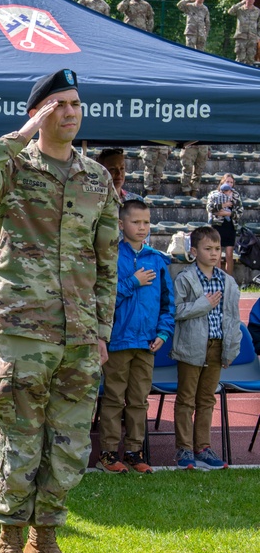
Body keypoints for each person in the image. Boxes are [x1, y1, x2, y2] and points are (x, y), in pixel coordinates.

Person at [0, 68, 118, 553]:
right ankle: (8, 541)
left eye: (74, 104)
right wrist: (22, 135)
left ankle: (44, 540)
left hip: (78, 330)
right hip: (22, 324)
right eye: (57, 105)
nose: (69, 113)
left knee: (69, 441)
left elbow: (106, 256)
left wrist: (101, 328)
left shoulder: (97, 177)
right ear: (37, 112)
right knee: (21, 435)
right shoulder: (12, 167)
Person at [97, 199, 174, 475]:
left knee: (140, 400)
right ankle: (107, 453)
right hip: (118, 341)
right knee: (114, 399)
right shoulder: (111, 256)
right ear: (121, 225)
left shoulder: (157, 259)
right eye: (136, 222)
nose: (142, 227)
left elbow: (168, 303)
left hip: (147, 343)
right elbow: (105, 298)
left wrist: (164, 333)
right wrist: (134, 281)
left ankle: (133, 452)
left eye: (146, 222)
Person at [171, 226, 239, 471]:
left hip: (216, 346)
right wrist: (201, 305)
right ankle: (184, 448)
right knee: (186, 399)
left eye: (217, 249)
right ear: (194, 250)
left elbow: (232, 318)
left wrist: (230, 349)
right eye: (207, 248)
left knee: (206, 400)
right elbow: (175, 312)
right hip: (191, 346)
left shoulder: (227, 281)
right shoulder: (186, 278)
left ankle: (203, 447)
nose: (213, 253)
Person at [205, 173, 242, 275]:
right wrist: (224, 205)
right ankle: (218, 278)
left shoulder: (236, 195)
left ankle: (229, 280)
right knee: (217, 254)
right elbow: (210, 208)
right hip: (217, 226)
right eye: (227, 181)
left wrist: (228, 213)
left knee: (229, 254)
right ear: (222, 182)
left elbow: (240, 211)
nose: (229, 184)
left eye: (231, 182)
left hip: (230, 226)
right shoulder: (214, 194)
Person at [227, 0, 259, 65]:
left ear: (254, 0)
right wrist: (241, 3)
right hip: (241, 36)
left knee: (251, 58)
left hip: (252, 37)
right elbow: (230, 12)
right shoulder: (240, 9)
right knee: (240, 57)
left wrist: (258, 36)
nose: (250, 0)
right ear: (245, 0)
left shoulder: (257, 10)